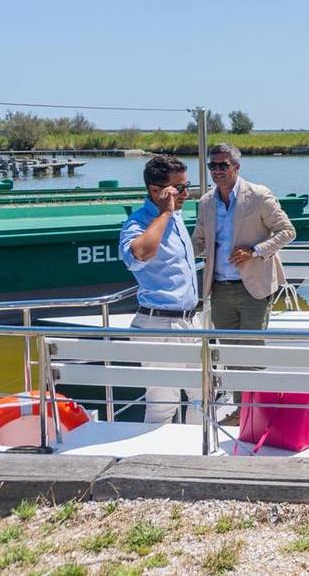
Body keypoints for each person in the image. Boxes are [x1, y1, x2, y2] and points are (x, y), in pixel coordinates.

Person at [119, 155, 203, 424]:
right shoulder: (138, 222)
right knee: (163, 404)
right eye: (179, 188)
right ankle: (156, 451)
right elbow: (138, 255)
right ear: (155, 191)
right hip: (159, 325)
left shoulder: (176, 217)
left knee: (204, 396)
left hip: (190, 321)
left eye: (187, 186)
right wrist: (165, 213)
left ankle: (197, 448)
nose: (186, 193)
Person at [192, 143, 296, 334]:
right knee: (226, 347)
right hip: (219, 289)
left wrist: (254, 251)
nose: (217, 171)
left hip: (254, 288)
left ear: (236, 166)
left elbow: (287, 231)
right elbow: (198, 241)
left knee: (250, 347)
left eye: (223, 165)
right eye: (212, 166)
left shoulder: (258, 195)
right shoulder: (206, 202)